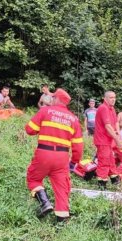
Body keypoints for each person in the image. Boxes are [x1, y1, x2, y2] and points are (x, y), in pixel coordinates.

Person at [25, 88, 83, 222]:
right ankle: (61, 222)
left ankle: (45, 203)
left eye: (53, 97)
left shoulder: (45, 111)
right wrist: (74, 162)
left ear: (56, 99)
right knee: (61, 188)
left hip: (44, 153)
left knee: (33, 179)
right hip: (62, 158)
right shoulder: (74, 119)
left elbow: (29, 129)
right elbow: (78, 146)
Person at [94, 91, 122, 189]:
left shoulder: (112, 109)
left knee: (111, 161)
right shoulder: (103, 108)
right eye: (111, 97)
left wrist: (118, 133)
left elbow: (116, 123)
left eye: (114, 97)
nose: (113, 99)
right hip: (102, 140)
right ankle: (102, 186)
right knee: (104, 162)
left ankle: (116, 182)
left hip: (108, 141)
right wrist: (117, 140)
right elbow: (108, 126)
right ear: (105, 99)